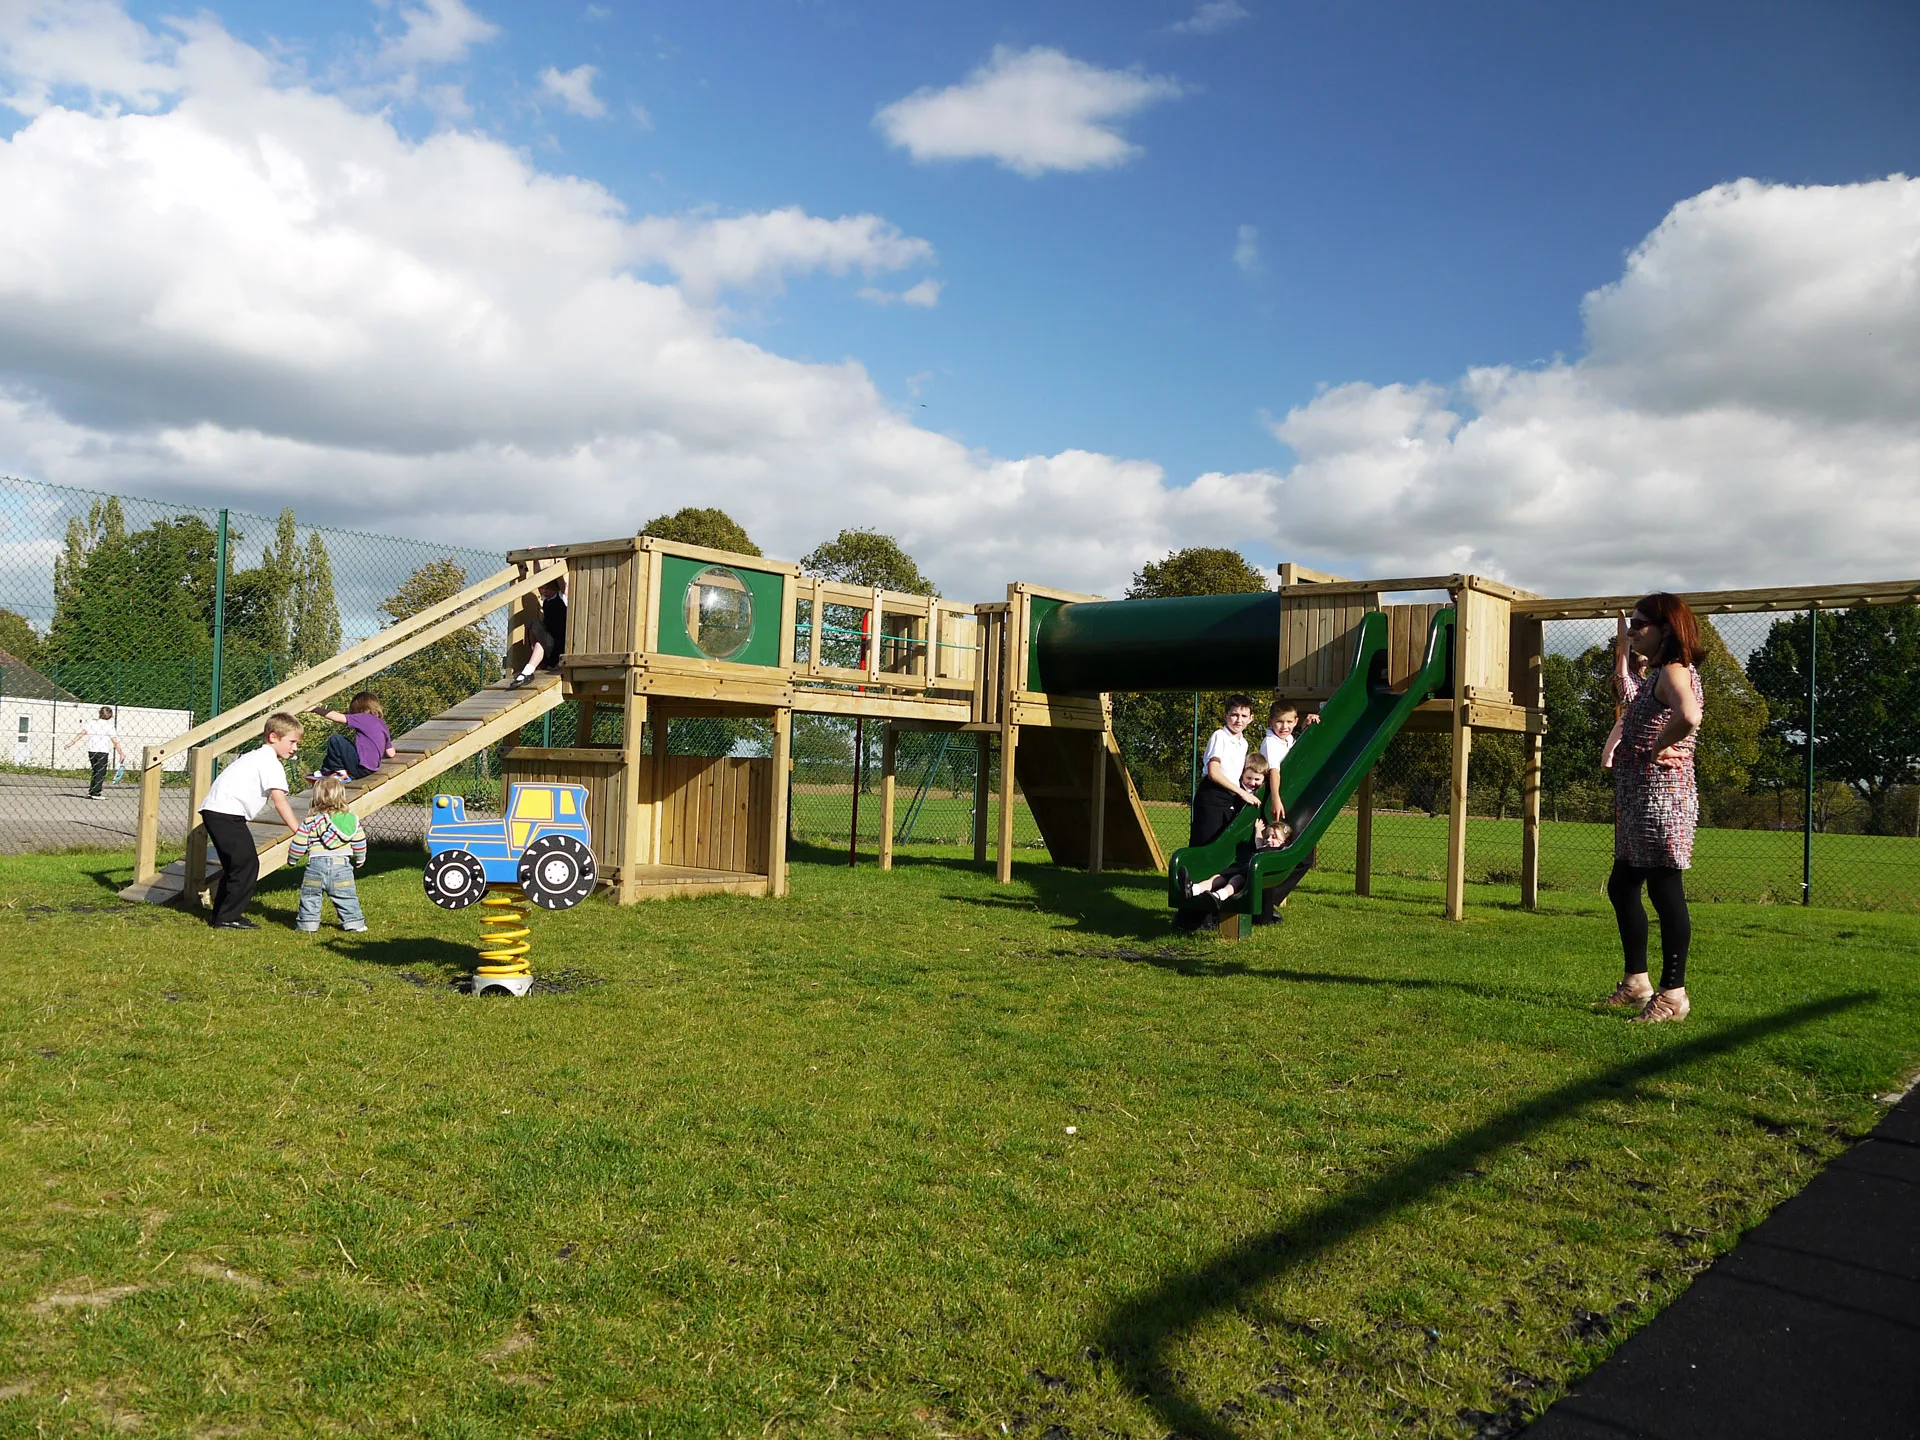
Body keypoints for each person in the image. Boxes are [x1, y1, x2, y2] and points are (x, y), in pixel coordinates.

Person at [1601, 594, 1706, 1023]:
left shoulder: (1676, 670)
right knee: (1622, 885)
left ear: (1666, 628)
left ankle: (1672, 994)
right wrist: (1622, 650)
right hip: (1640, 801)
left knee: (1666, 892)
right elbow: (1631, 695)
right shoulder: (1658, 673)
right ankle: (1636, 983)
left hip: (1662, 802)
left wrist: (1661, 744)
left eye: (1639, 624)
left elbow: (1690, 715)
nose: (1632, 631)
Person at [199, 714, 303, 930]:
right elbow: (280, 801)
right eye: (292, 742)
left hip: (216, 811)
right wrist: (298, 830)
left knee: (236, 866)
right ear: (273, 737)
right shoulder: (270, 763)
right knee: (246, 865)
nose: (295, 748)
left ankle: (222, 915)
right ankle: (228, 917)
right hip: (226, 814)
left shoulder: (254, 756)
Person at [1178, 754, 1293, 911]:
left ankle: (1219, 895)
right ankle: (1194, 889)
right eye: (1248, 778)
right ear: (1242, 775)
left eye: (1257, 779)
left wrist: (1258, 831)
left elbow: (1259, 845)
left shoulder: (1273, 851)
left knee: (1235, 879)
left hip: (1246, 866)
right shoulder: (1238, 791)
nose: (1252, 783)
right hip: (1240, 863)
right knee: (1220, 876)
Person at [289, 776, 368, 933]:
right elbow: (360, 841)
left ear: (316, 797)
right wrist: (360, 857)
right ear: (341, 796)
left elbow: (298, 844)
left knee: (310, 897)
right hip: (341, 867)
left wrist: (292, 859)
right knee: (346, 896)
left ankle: (307, 925)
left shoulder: (310, 821)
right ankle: (355, 924)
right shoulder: (351, 820)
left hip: (315, 866)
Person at [1190, 693, 1260, 848]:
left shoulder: (1244, 743)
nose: (1239, 720)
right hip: (1212, 795)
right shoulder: (1219, 736)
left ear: (1251, 719)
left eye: (1244, 716)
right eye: (1234, 715)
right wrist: (1242, 793)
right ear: (1225, 715)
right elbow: (1214, 773)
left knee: (1223, 844)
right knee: (1205, 845)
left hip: (1229, 797)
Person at [1600, 614, 1652, 770]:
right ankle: (1609, 757)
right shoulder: (1625, 676)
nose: (1646, 658)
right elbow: (1624, 643)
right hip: (1632, 721)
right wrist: (1621, 614)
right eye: (1642, 656)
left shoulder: (1648, 680)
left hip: (1646, 724)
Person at [306, 692, 394, 781]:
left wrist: (314, 708)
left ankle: (339, 773)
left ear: (357, 708)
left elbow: (337, 717)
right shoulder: (382, 724)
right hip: (371, 769)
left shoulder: (363, 717)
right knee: (342, 749)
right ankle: (327, 770)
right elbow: (391, 753)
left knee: (336, 740)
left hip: (359, 768)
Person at [507, 576, 568, 689]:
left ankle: (529, 670)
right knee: (533, 626)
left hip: (560, 646)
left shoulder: (561, 597)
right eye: (542, 588)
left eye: (547, 588)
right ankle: (529, 671)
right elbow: (539, 575)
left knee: (536, 628)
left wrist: (557, 573)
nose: (544, 591)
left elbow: (563, 584)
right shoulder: (546, 600)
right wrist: (533, 565)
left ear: (555, 588)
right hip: (548, 644)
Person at [64, 705, 126, 799]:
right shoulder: (109, 726)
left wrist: (71, 743)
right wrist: (121, 753)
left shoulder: (92, 723)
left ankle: (92, 791)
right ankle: (95, 793)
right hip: (102, 751)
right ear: (110, 716)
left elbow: (82, 733)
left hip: (91, 750)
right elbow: (115, 741)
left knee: (95, 771)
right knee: (100, 772)